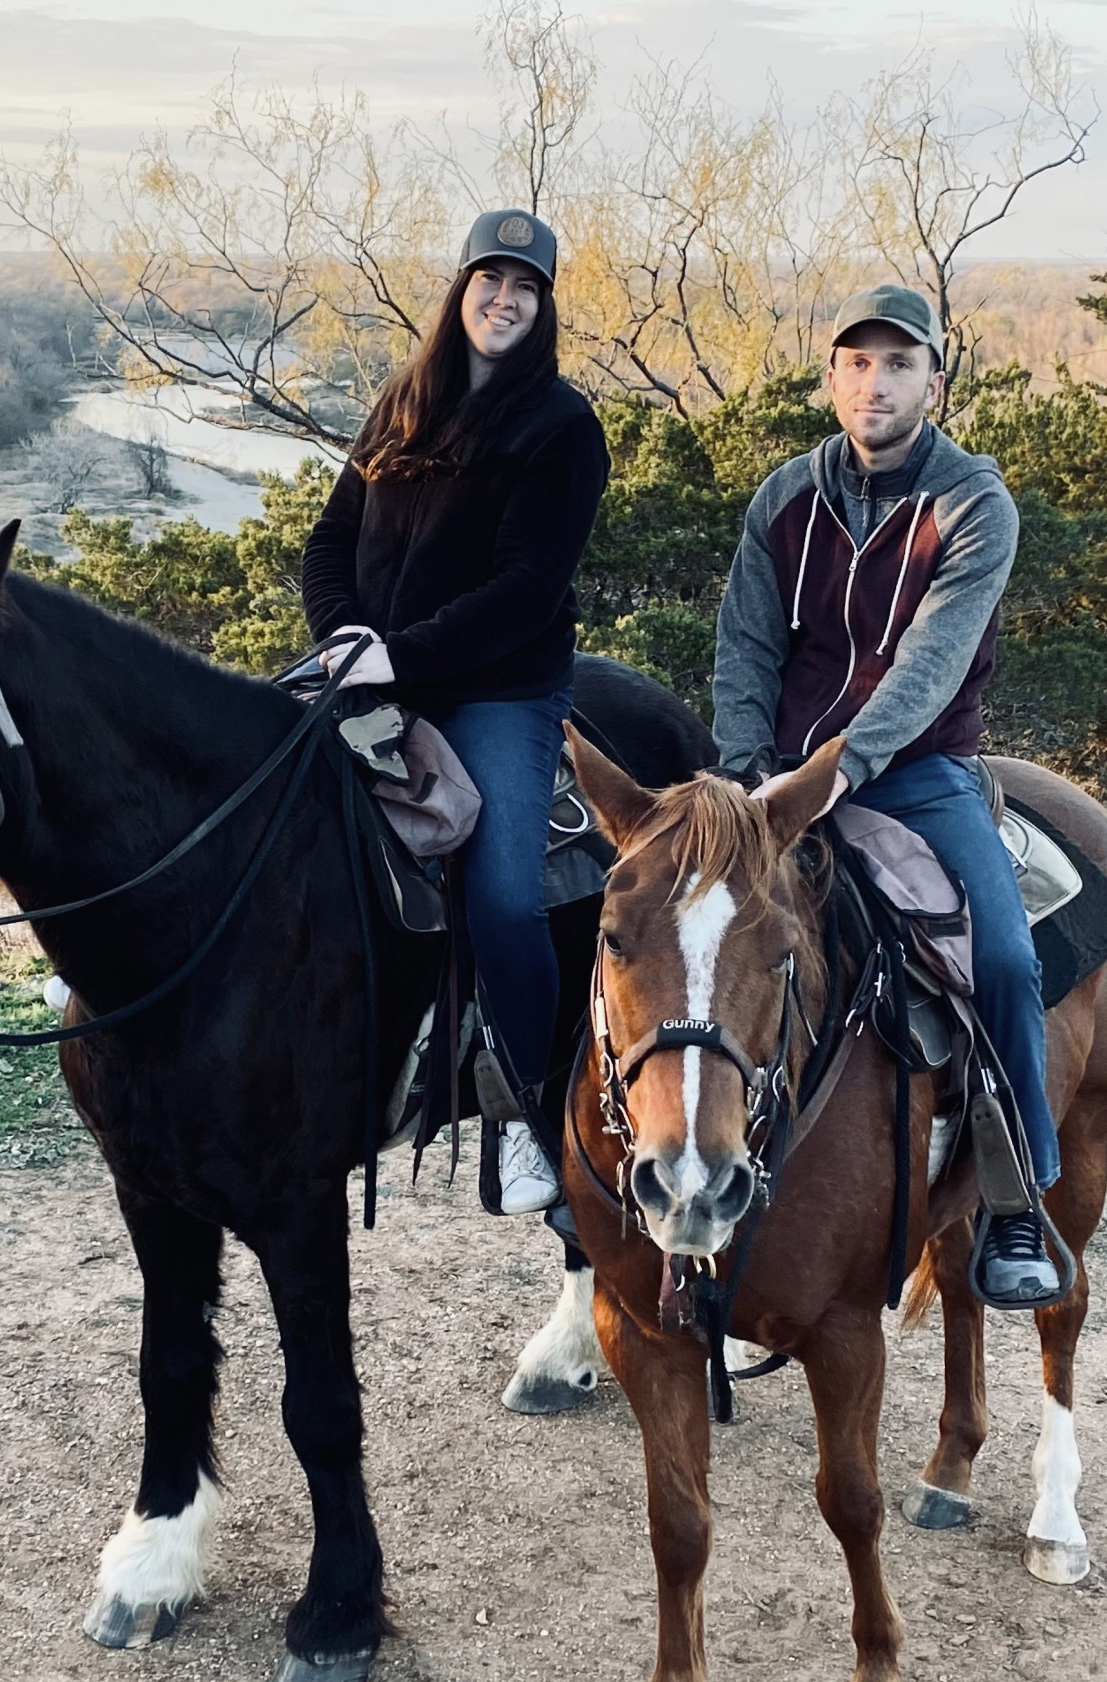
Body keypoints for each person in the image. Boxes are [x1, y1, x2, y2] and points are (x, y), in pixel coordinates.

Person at [711, 283, 1062, 1309]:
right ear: (830, 378)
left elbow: (927, 666)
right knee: (661, 923)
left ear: (933, 383)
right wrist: (745, 773)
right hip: (774, 773)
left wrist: (839, 770)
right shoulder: (784, 497)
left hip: (918, 772)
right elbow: (742, 646)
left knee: (997, 951)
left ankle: (1012, 1203)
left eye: (898, 363)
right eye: (857, 362)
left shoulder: (971, 504)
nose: (875, 381)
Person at [302, 208, 611, 1215]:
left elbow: (526, 589)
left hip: (495, 692)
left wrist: (401, 654)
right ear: (461, 290)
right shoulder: (403, 401)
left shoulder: (560, 428)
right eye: (490, 279)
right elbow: (328, 539)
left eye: (525, 287)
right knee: (240, 794)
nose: (503, 299)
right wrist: (346, 637)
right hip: (369, 668)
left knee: (505, 898)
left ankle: (525, 1111)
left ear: (543, 307)